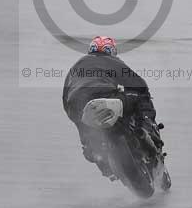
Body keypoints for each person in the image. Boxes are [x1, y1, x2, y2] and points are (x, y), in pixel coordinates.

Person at [62, 36, 162, 177]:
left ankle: (101, 162)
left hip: (76, 103)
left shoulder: (75, 67)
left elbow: (65, 99)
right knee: (140, 96)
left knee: (87, 139)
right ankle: (147, 129)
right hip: (103, 95)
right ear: (111, 51)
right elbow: (138, 84)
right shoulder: (110, 60)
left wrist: (78, 121)